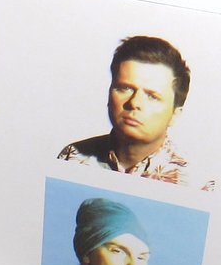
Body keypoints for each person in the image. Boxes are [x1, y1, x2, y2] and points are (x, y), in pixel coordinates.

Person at [58, 36, 211, 189]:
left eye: (152, 96)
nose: (134, 103)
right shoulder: (73, 157)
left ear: (175, 114)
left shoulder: (197, 184)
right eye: (125, 88)